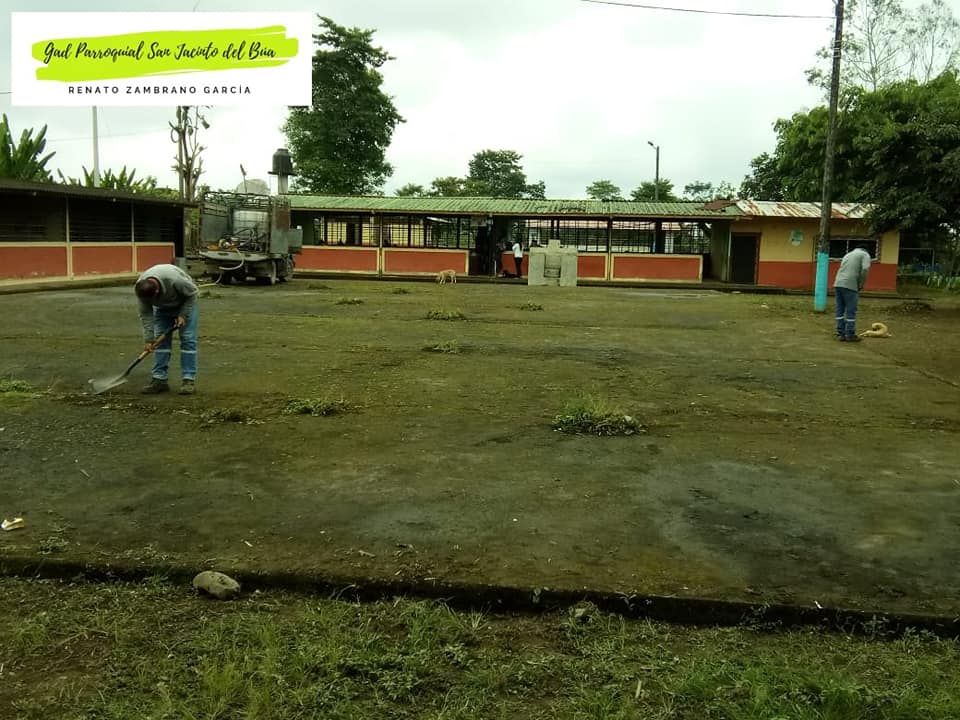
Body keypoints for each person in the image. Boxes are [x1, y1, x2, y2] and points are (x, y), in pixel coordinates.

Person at [134, 263, 200, 394]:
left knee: (187, 339)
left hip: (184, 303)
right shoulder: (141, 289)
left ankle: (188, 380)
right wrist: (149, 340)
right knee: (160, 341)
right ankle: (159, 379)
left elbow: (193, 294)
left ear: (157, 292)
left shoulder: (175, 280)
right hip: (163, 308)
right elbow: (146, 315)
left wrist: (183, 315)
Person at [833, 244, 872, 342]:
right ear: (866, 250)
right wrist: (860, 284)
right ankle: (850, 334)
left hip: (838, 283)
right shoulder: (865, 254)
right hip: (850, 284)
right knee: (851, 310)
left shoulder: (848, 254)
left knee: (840, 308)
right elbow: (865, 269)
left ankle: (841, 333)